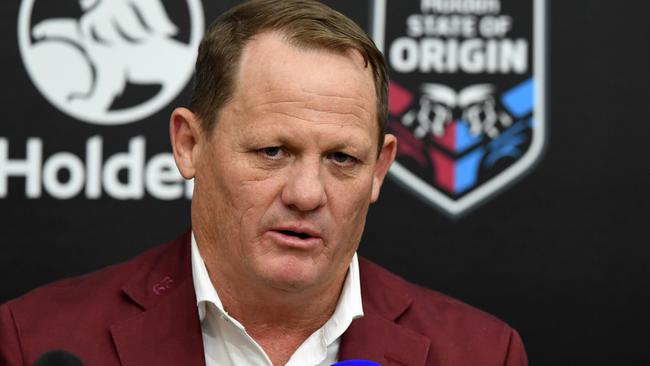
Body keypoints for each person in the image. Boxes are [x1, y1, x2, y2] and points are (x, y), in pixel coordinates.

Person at [0, 1, 528, 365]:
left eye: (342, 158)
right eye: (273, 152)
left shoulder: (482, 354)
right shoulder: (38, 342)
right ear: (189, 144)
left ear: (379, 169)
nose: (306, 194)